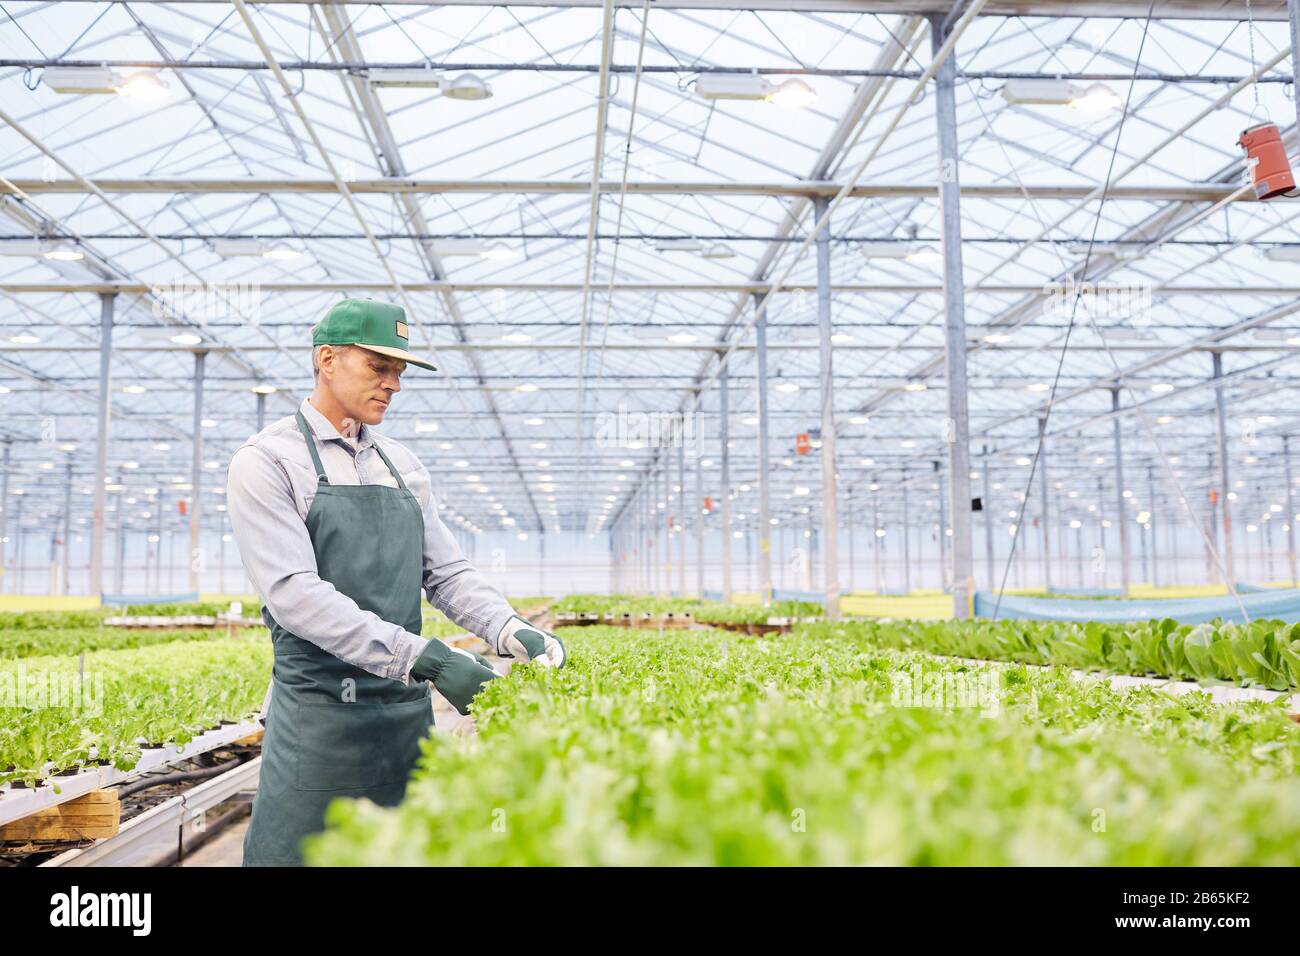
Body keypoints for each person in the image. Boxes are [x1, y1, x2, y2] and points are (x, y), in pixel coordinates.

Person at [226, 298, 565, 866]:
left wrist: (510, 629)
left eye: (400, 371)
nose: (394, 384)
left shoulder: (403, 465)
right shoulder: (267, 462)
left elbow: (445, 572)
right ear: (327, 360)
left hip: (405, 718)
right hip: (321, 722)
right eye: (378, 368)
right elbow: (294, 595)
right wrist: (428, 658)